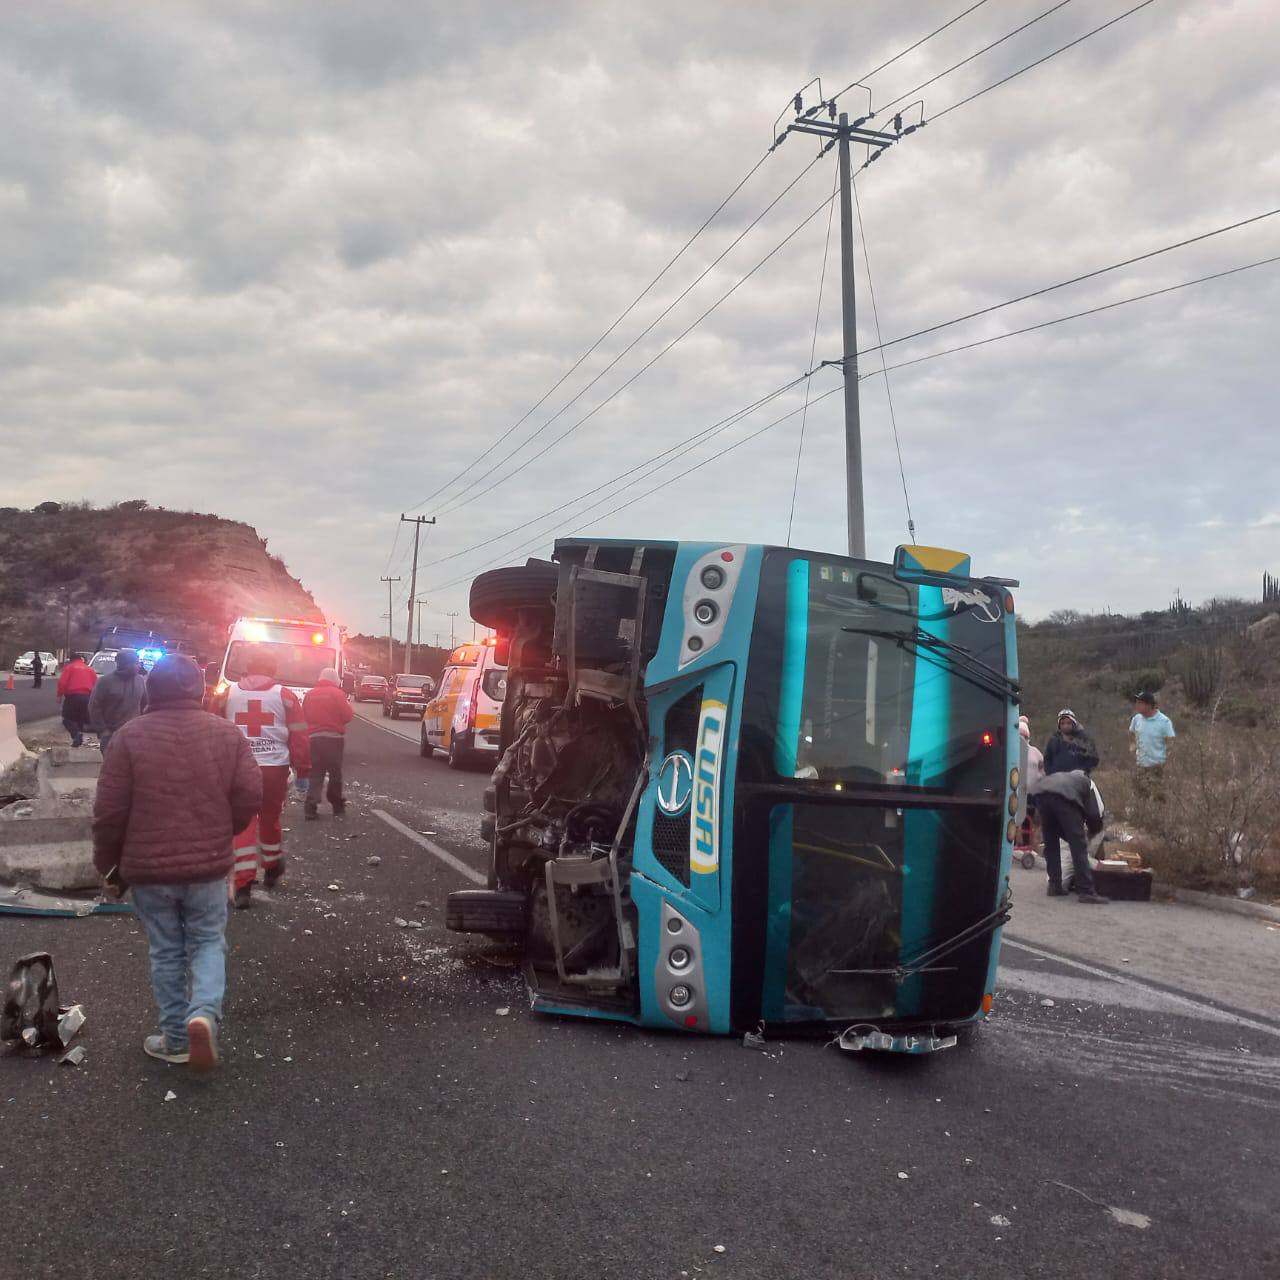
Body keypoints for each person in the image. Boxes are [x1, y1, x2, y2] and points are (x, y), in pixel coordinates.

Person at [92, 655, 262, 1070]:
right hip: (207, 866)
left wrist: (108, 866)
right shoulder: (226, 735)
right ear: (199, 690)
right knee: (207, 942)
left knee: (166, 951)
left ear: (153, 690)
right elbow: (250, 794)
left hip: (148, 870)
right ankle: (203, 1014)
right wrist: (225, 829)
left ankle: (173, 1038)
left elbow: (109, 813)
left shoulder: (129, 737)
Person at [212, 646, 310, 908]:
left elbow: (210, 729)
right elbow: (299, 735)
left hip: (237, 769)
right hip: (273, 769)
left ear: (247, 668)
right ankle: (272, 863)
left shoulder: (227, 694)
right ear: (273, 670)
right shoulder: (286, 696)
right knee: (270, 817)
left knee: (242, 824)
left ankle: (242, 885)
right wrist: (303, 770)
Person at [1029, 769, 1108, 903]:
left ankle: (1055, 885)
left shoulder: (1066, 778)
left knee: (1051, 843)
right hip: (1064, 797)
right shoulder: (1089, 784)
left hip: (1041, 794)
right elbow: (1096, 813)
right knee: (1078, 845)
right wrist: (1092, 832)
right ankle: (1086, 891)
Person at [301, 666, 353, 819]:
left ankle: (311, 806)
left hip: (313, 739)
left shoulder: (310, 694)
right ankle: (337, 805)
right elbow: (347, 716)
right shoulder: (338, 694)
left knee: (316, 772)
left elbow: (304, 716)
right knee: (334, 773)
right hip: (333, 739)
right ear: (335, 679)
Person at [89, 648, 148, 753]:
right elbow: (94, 707)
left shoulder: (140, 681)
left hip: (133, 734)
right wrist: (103, 730)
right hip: (111, 734)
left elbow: (145, 704)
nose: (139, 666)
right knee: (111, 767)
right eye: (136, 663)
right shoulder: (105, 682)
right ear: (125, 664)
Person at [1129, 691, 1175, 795]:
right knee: (1140, 796)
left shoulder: (1164, 722)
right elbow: (1131, 735)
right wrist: (1133, 750)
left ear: (1149, 705)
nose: (1137, 705)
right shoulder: (1136, 719)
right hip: (1141, 766)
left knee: (1158, 797)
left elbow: (1170, 744)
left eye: (1140, 703)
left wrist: (1166, 764)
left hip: (1157, 767)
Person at [1015, 718, 1045, 851]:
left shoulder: (1035, 753)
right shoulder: (1012, 751)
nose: (1022, 738)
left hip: (1031, 792)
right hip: (1014, 790)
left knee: (1028, 818)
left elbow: (1042, 770)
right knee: (1014, 818)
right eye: (1020, 735)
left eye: (1024, 736)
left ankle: (1026, 845)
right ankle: (1014, 842)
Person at [55, 653, 97, 747]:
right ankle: (78, 738)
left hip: (73, 696)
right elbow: (95, 684)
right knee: (80, 719)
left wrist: (59, 695)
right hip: (87, 697)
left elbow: (62, 682)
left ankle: (76, 734)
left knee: (67, 718)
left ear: (71, 660)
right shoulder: (90, 669)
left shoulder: (70, 668)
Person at [1043, 709, 1100, 776]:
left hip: (1077, 779)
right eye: (1062, 723)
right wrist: (1050, 773)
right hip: (1057, 779)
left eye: (1068, 723)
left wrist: (1083, 771)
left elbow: (1094, 758)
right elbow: (1047, 759)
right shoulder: (1054, 740)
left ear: (1073, 723)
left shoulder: (1083, 739)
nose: (1065, 726)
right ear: (1059, 725)